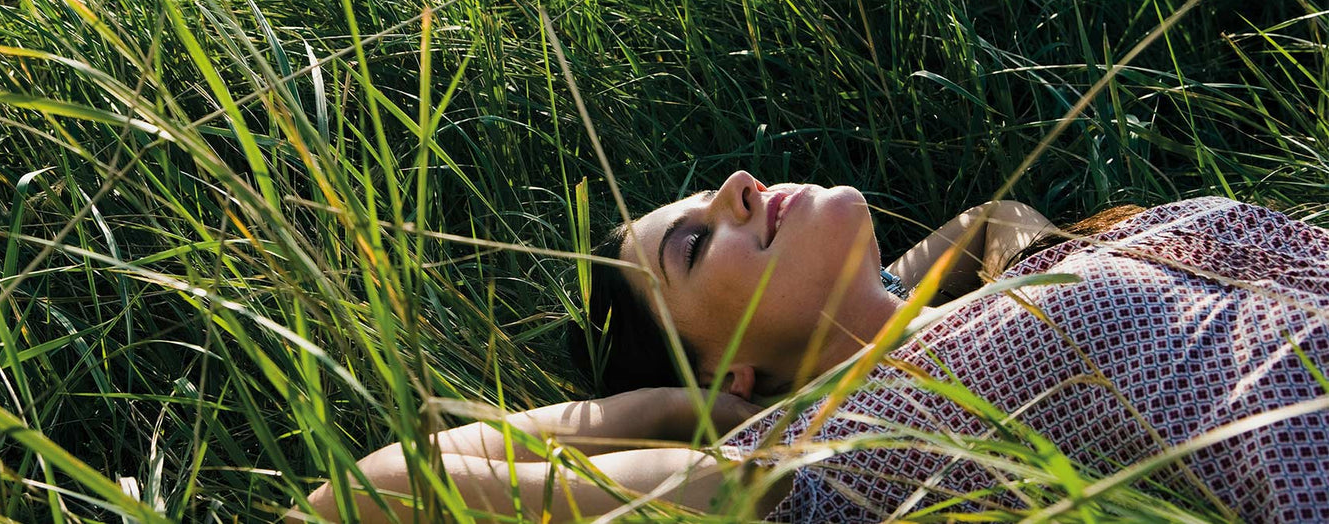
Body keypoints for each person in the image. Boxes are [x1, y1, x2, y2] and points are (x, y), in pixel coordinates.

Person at [299, 173, 1329, 523]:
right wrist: (674, 411)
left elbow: (986, 217)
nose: (741, 186)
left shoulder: (1009, 272)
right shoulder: (807, 461)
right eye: (698, 243)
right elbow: (377, 488)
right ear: (731, 371)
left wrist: (972, 262)